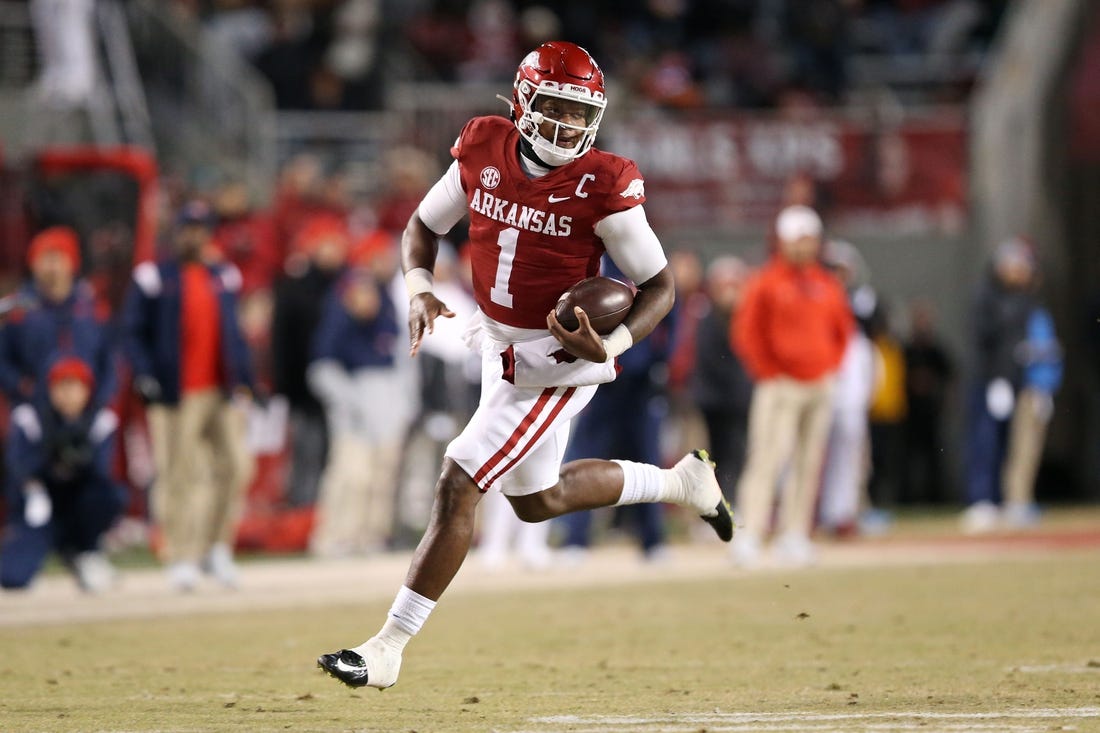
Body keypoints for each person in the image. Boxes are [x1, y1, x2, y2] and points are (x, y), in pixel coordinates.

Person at [317, 40, 732, 690]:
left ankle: (388, 646)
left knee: (459, 479)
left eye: (578, 113)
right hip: (497, 341)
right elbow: (422, 228)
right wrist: (421, 286)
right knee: (539, 499)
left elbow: (657, 288)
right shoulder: (483, 146)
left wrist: (613, 347)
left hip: (558, 352)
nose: (567, 126)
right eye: (555, 108)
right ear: (521, 100)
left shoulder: (605, 184)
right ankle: (683, 484)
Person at [122, 200, 256, 591]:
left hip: (220, 389)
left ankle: (216, 547)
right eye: (187, 228)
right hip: (175, 391)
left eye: (200, 228)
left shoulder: (222, 274)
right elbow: (131, 332)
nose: (193, 235)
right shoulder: (153, 276)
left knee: (236, 466)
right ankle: (181, 554)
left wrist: (246, 379)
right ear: (176, 231)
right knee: (181, 474)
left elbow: (234, 334)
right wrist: (145, 375)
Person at [729, 205, 853, 567]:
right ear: (783, 241)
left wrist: (831, 367)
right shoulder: (766, 281)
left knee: (808, 461)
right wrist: (768, 371)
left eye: (810, 239)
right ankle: (750, 533)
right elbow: (746, 333)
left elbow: (842, 332)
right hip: (780, 384)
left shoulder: (826, 284)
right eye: (798, 239)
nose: (805, 246)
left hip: (819, 384)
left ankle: (795, 532)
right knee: (768, 457)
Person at [306, 253, 414, 557]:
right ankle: (335, 539)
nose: (366, 299)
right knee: (351, 476)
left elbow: (401, 362)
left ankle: (372, 538)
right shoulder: (337, 325)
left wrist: (404, 404)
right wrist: (349, 404)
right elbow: (321, 370)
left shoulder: (387, 316)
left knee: (382, 479)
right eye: (358, 294)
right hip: (353, 409)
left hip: (387, 406)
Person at [0, 357, 125, 592]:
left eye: (75, 386)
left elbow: (102, 474)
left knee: (110, 496)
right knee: (13, 578)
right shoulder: (30, 417)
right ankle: (37, 553)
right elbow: (18, 468)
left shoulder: (100, 420)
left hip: (77, 507)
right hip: (40, 503)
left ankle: (85, 552)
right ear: (50, 389)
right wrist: (46, 470)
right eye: (62, 386)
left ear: (87, 390)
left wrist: (77, 462)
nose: (68, 395)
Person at [961, 237, 1042, 532]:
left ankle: (1002, 500)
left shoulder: (1025, 300)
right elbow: (983, 341)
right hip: (987, 380)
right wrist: (995, 378)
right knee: (984, 440)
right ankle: (980, 500)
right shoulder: (986, 296)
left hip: (1014, 381)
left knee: (1009, 443)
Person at [270, 217, 350, 508]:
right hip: (301, 385)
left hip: (341, 383)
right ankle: (301, 508)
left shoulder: (346, 284)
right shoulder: (294, 287)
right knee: (305, 450)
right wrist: (284, 384)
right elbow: (281, 339)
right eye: (326, 245)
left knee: (335, 452)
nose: (333, 252)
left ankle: (326, 511)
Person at [0, 226, 117, 413]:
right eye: (44, 258)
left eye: (57, 258)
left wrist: (101, 400)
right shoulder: (17, 309)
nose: (51, 267)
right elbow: (3, 360)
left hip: (86, 411)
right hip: (33, 410)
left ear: (72, 262)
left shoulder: (93, 308)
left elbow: (110, 360)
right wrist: (21, 387)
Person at [690, 255, 754, 500]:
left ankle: (731, 502)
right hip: (712, 401)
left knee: (737, 455)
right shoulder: (707, 317)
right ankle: (711, 506)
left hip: (738, 401)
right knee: (709, 457)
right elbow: (713, 361)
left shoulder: (746, 319)